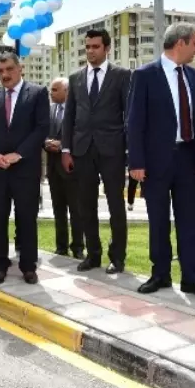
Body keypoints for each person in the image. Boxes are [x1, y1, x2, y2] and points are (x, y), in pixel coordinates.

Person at [127, 23, 195, 302]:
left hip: (188, 160)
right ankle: (160, 274)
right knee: (158, 220)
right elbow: (134, 122)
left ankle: (193, 279)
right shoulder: (144, 75)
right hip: (155, 162)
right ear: (181, 43)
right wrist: (136, 161)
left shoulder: (193, 76)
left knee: (190, 220)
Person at [61, 29, 131, 274]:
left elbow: (129, 115)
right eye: (87, 47)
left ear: (107, 48)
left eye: (95, 47)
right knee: (85, 206)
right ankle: (93, 254)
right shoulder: (76, 78)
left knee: (115, 206)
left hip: (112, 150)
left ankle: (118, 257)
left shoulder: (122, 76)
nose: (90, 51)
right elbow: (69, 116)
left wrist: (130, 152)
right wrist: (66, 149)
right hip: (82, 151)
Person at [0, 52, 49, 285]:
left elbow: (41, 128)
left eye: (9, 69)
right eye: (1, 71)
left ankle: (28, 266)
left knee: (26, 218)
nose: (5, 75)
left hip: (25, 169)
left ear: (20, 68)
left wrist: (18, 154)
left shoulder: (38, 93)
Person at [46, 78, 84, 258]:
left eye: (54, 90)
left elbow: (81, 135)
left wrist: (63, 145)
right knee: (58, 209)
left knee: (76, 210)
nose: (51, 93)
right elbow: (41, 132)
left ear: (66, 91)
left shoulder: (77, 110)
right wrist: (46, 142)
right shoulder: (49, 110)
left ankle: (77, 247)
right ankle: (61, 246)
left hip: (71, 168)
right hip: (53, 168)